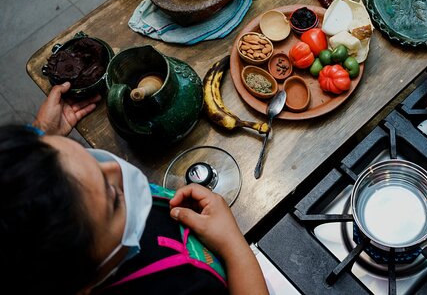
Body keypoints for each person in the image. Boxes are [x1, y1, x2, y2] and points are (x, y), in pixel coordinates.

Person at [0, 82, 268, 295]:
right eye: (114, 197)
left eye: (89, 154)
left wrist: (42, 136)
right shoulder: (185, 286)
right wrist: (234, 247)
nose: (116, 169)